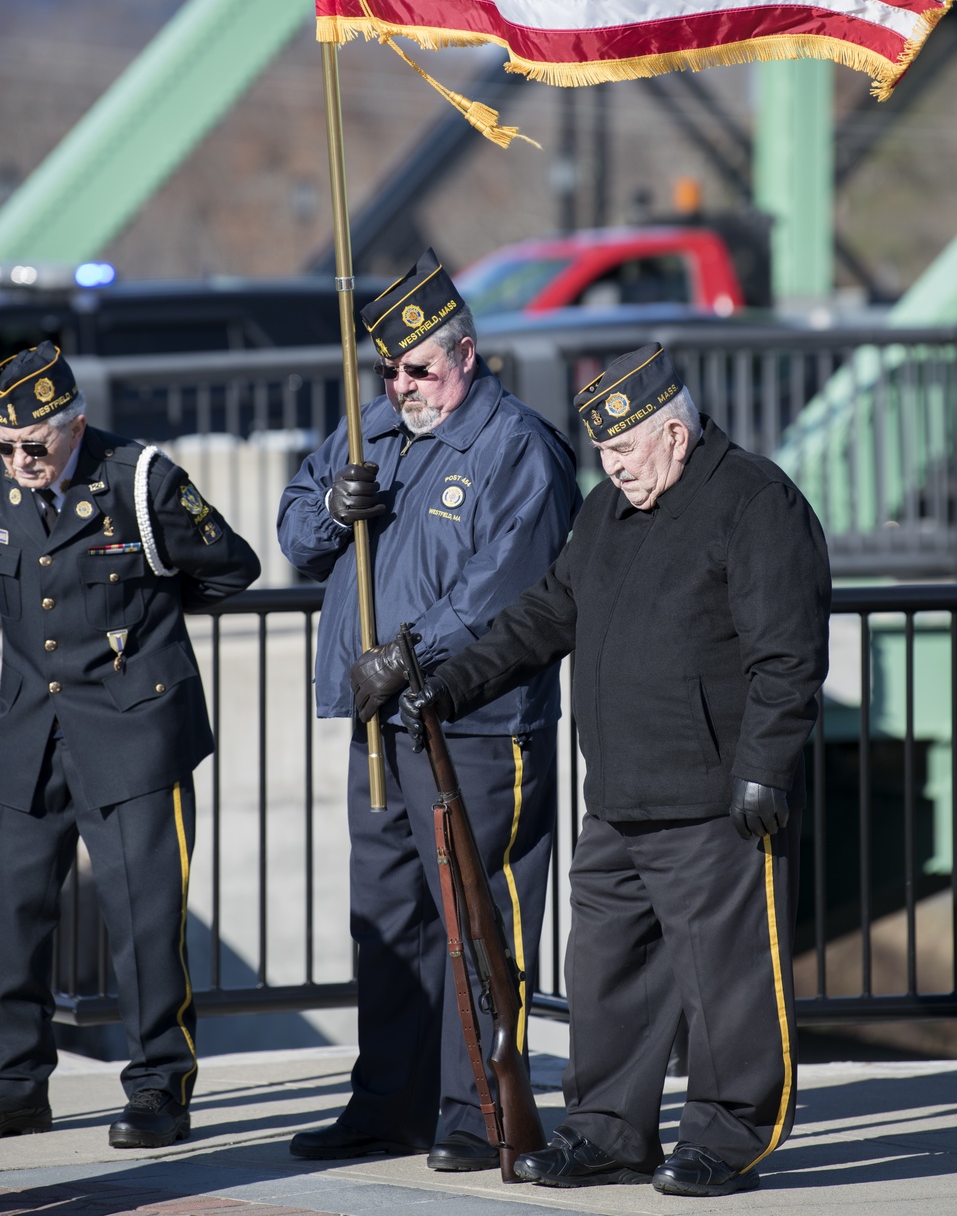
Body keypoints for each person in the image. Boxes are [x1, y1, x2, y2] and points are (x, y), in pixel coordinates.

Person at [401, 342, 831, 1197]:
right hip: (620, 795)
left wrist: (765, 769)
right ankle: (606, 1130)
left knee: (728, 981)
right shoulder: (607, 511)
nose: (613, 467)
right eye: (603, 452)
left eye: (625, 450)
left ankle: (727, 1134)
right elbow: (544, 615)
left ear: (675, 434)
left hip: (714, 796)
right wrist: (451, 684)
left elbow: (786, 655)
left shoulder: (754, 500)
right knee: (606, 974)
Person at [277, 248, 580, 1172]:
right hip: (384, 726)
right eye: (390, 369)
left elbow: (507, 589)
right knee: (393, 921)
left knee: (475, 918)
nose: (402, 384)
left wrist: (407, 656)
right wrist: (336, 506)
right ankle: (390, 1104)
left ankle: (477, 1106)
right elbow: (293, 532)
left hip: (476, 725)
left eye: (419, 368)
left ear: (467, 356)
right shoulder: (371, 431)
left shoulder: (515, 448)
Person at [0, 342, 260, 1149]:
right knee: (9, 917)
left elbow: (230, 569)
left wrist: (148, 623)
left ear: (74, 425)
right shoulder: (3, 486)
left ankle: (158, 1086)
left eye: (32, 445)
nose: (18, 461)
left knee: (144, 921)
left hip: (131, 729)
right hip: (26, 731)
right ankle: (15, 1083)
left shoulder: (140, 482)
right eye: (3, 446)